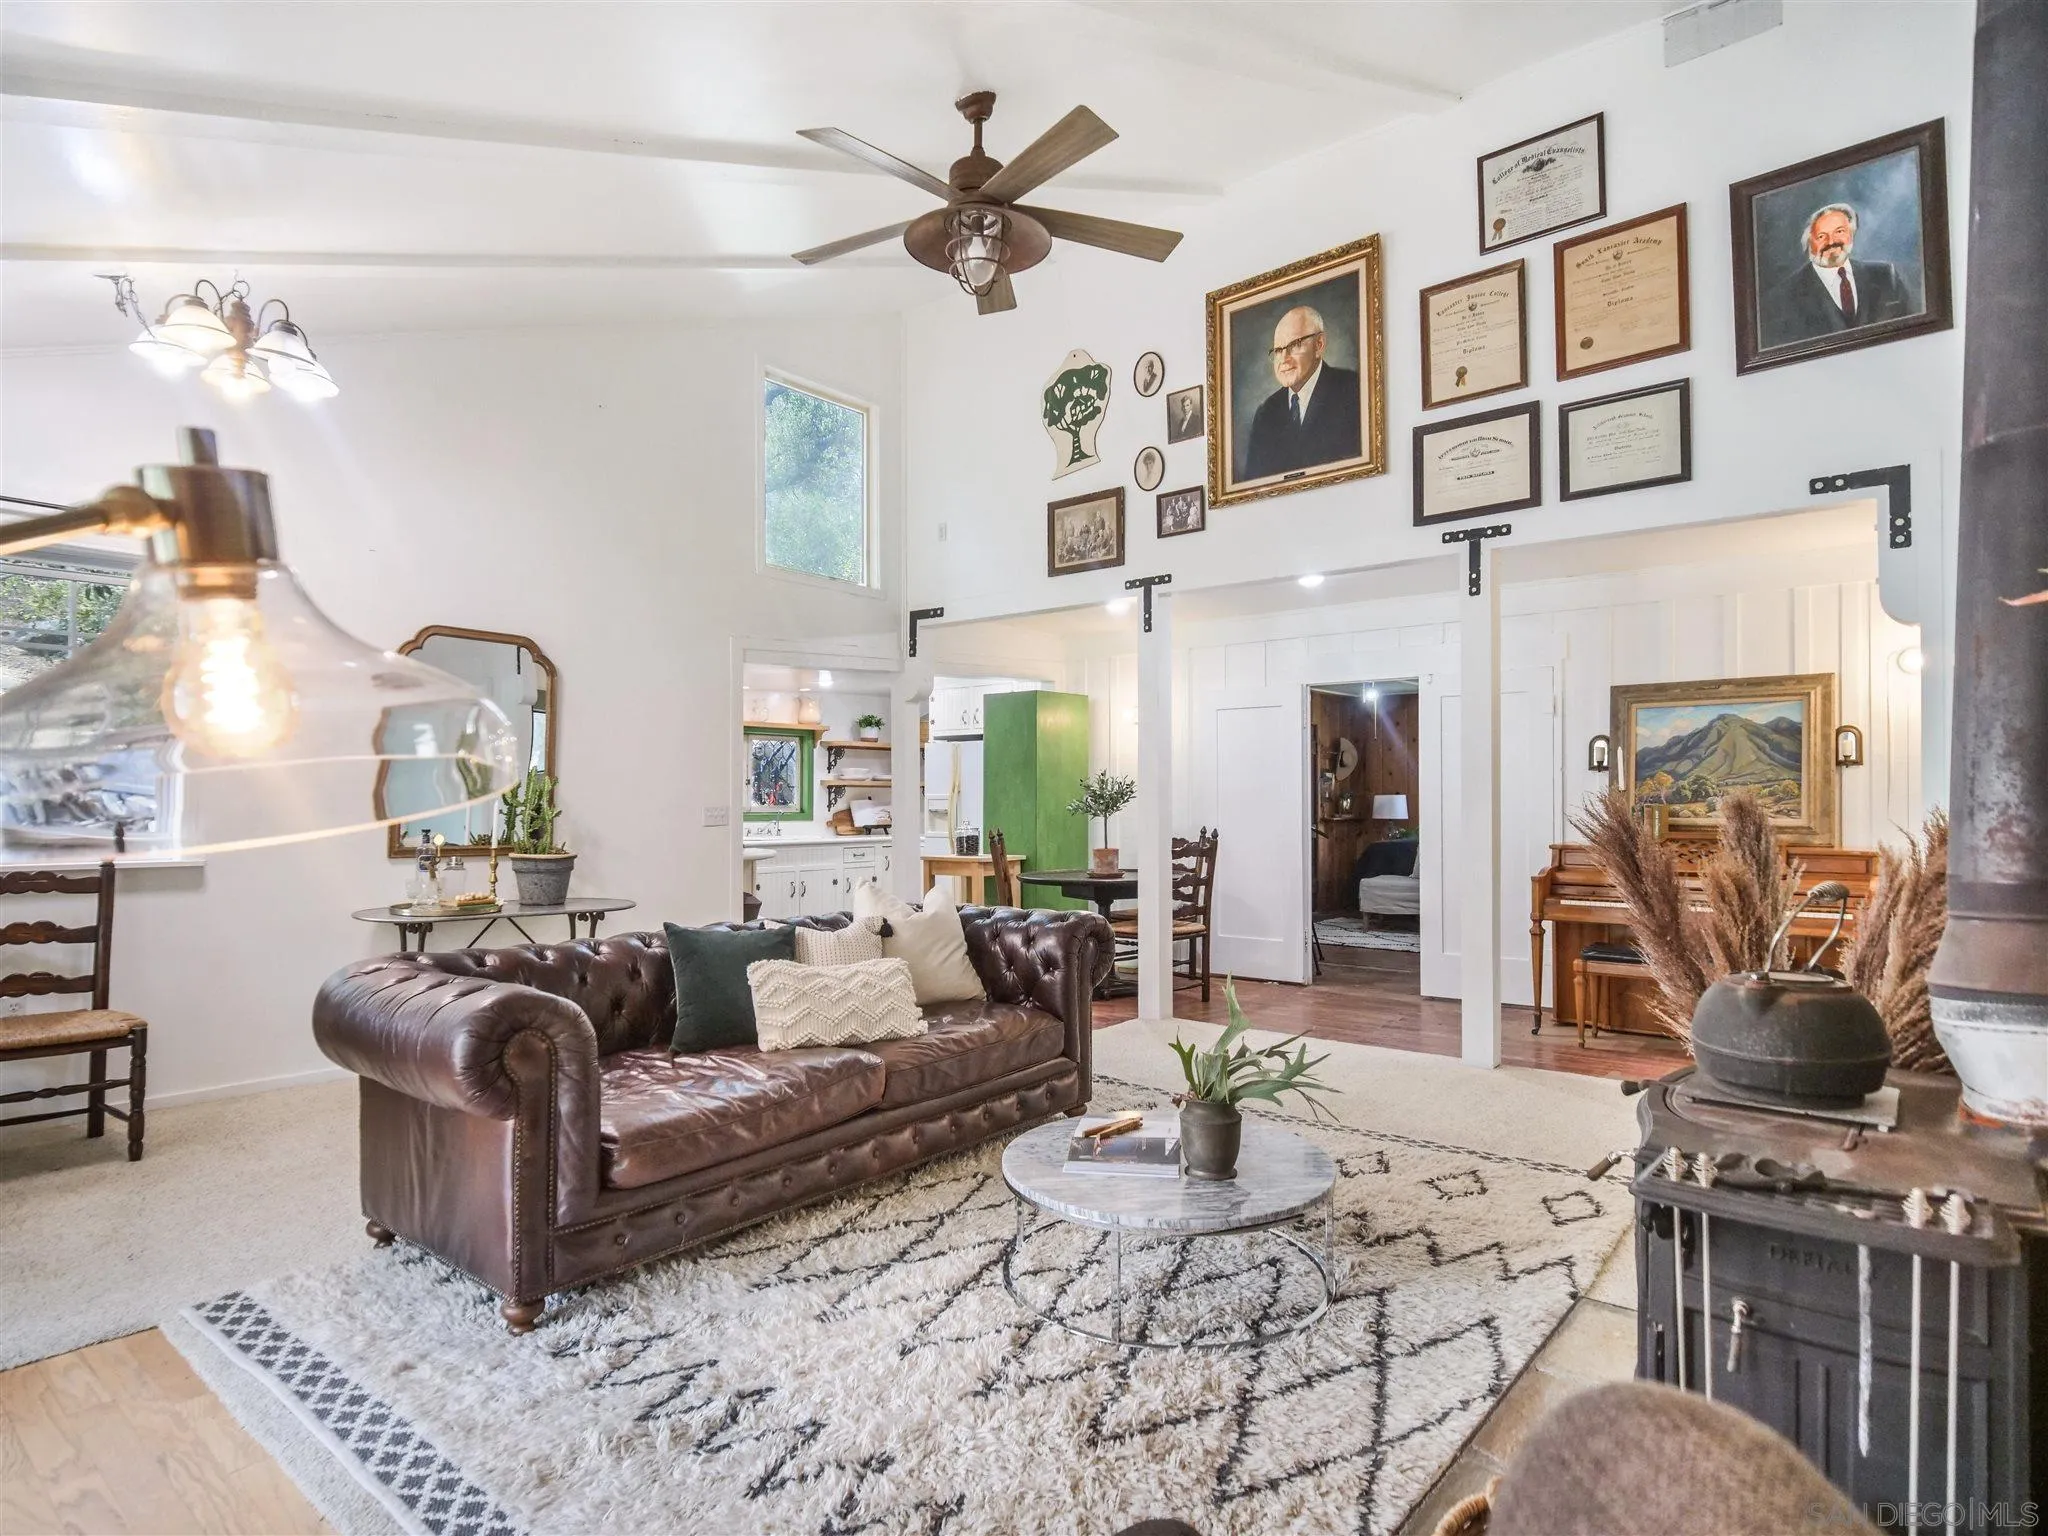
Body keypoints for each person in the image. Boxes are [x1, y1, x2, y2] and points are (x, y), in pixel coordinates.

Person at [1758, 201, 1914, 348]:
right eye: (1821, 236)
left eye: (1839, 231)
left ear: (1851, 234)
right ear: (1808, 243)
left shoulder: (1886, 276)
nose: (1831, 242)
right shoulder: (1783, 297)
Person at [1240, 305, 1361, 481]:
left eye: (1295, 345)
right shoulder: (1266, 413)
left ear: (1319, 345)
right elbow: (1254, 486)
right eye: (1278, 350)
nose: (1284, 359)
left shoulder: (1353, 390)